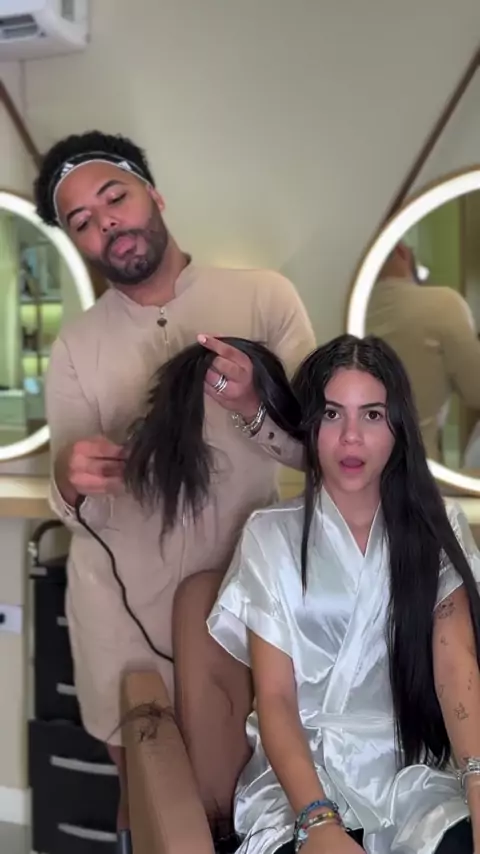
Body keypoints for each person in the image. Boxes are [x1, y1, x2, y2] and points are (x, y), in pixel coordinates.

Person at [33, 130, 315, 851]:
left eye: (114, 199)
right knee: (150, 799)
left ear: (153, 194)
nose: (107, 224)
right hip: (120, 617)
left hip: (240, 602)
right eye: (83, 221)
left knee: (245, 800)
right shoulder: (77, 346)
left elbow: (318, 449)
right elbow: (68, 499)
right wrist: (69, 476)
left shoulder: (263, 298)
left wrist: (254, 405)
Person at [208, 334, 480, 854]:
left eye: (372, 415)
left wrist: (477, 783)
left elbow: (455, 672)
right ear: (310, 426)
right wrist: (318, 821)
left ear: (398, 426)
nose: (351, 437)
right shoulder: (270, 535)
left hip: (409, 775)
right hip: (299, 776)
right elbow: (276, 699)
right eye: (332, 414)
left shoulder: (437, 527)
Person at [366, 241, 480, 461]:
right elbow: (477, 391)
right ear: (401, 251)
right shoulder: (443, 304)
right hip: (420, 464)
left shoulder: (351, 309)